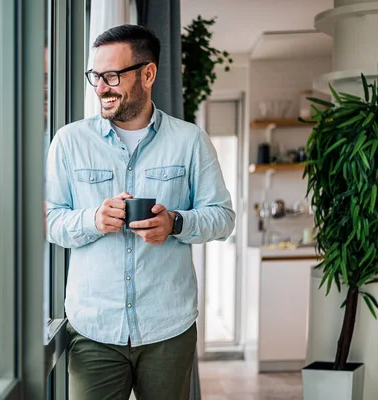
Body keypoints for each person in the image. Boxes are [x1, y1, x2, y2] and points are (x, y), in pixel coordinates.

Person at [45, 24, 235, 400]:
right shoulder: (69, 142)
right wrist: (93, 220)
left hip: (168, 328)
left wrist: (176, 222)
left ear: (148, 74)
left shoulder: (190, 141)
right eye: (96, 76)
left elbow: (223, 217)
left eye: (112, 75)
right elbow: (49, 220)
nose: (101, 87)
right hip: (94, 330)